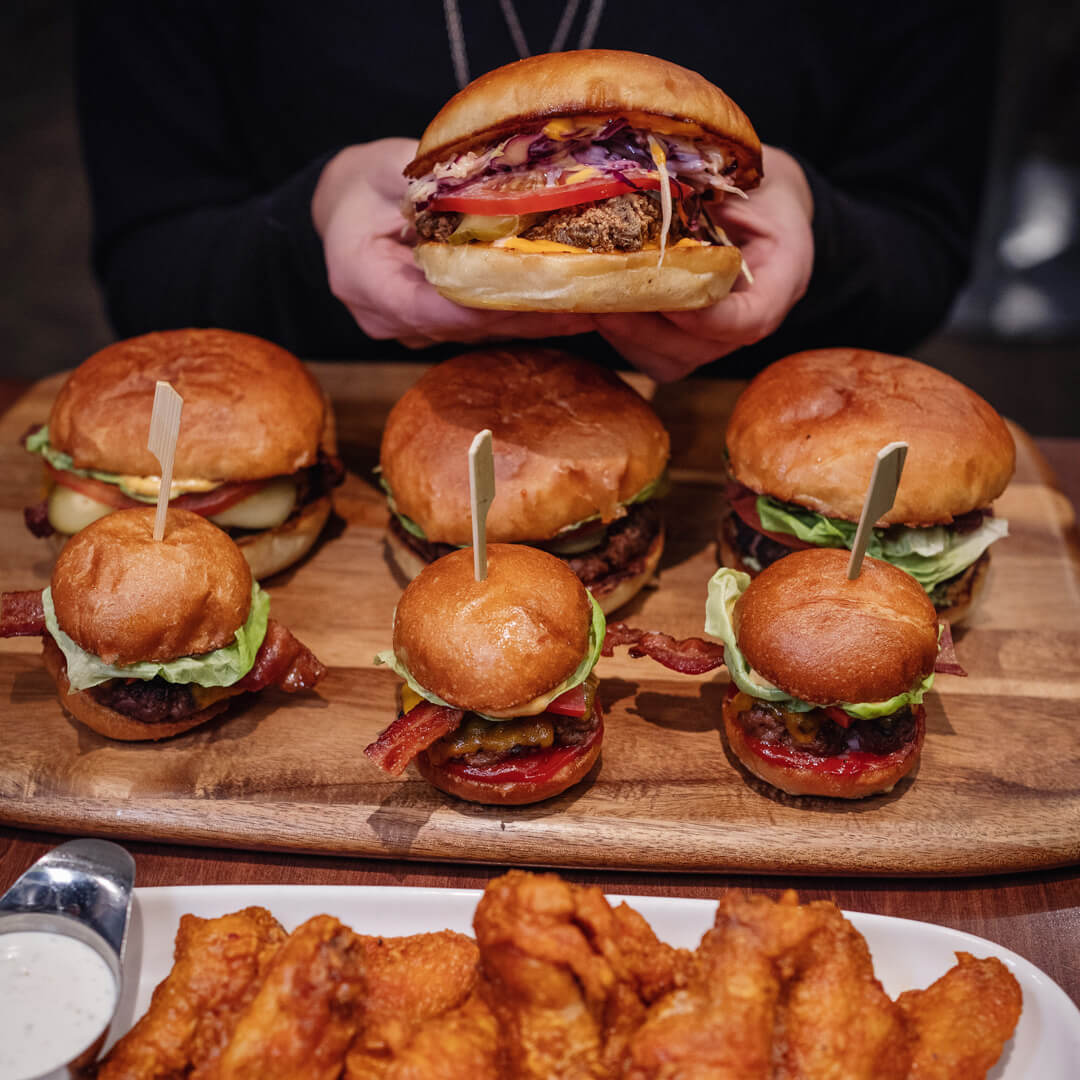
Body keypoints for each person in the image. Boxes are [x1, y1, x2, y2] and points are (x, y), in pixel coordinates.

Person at [76, 1, 995, 381]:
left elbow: (922, 243)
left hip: (718, 460)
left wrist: (812, 221)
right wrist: (306, 219)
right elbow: (150, 267)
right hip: (359, 443)